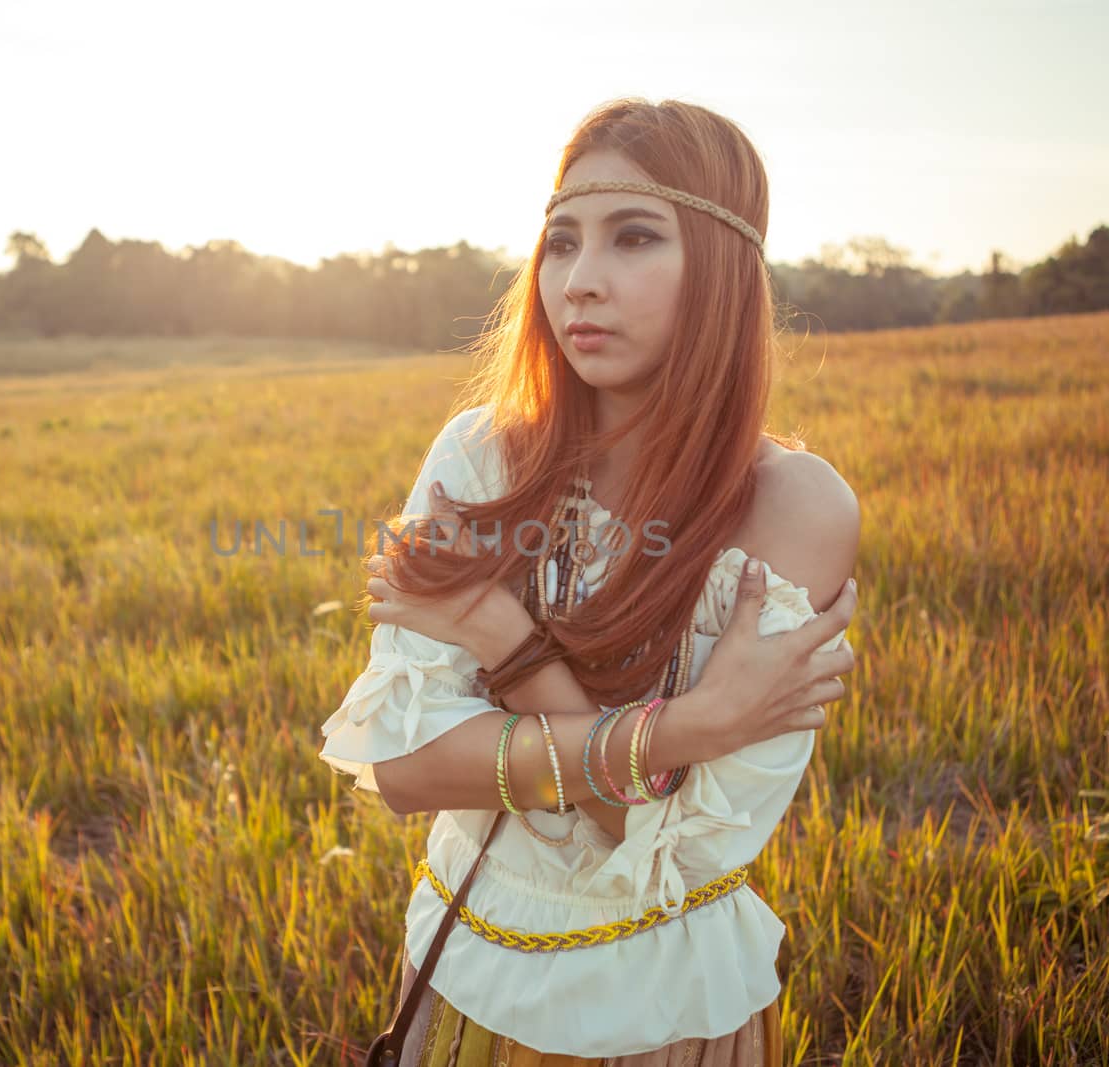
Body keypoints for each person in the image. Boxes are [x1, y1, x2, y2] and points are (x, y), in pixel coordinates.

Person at [318, 97, 860, 1065]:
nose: (579, 282)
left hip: (661, 1008)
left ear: (726, 269)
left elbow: (667, 848)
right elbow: (404, 770)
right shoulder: (482, 455)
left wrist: (509, 648)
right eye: (560, 243)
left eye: (634, 237)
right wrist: (686, 729)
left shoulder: (792, 506)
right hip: (464, 966)